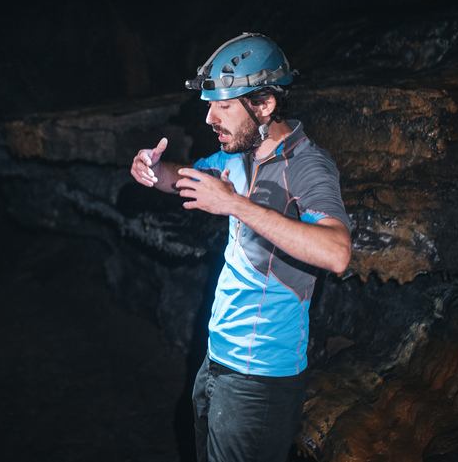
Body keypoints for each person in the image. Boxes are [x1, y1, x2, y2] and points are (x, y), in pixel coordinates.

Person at [129, 33, 351, 462]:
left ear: (264, 104)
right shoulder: (239, 153)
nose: (209, 118)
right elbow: (185, 179)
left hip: (261, 379)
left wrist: (235, 204)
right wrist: (154, 171)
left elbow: (337, 252)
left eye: (224, 106)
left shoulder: (307, 167)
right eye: (210, 105)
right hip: (218, 358)